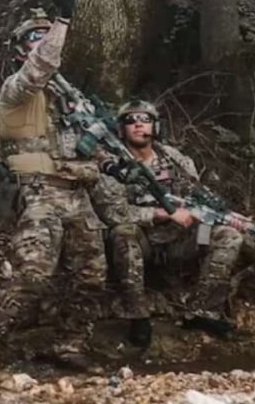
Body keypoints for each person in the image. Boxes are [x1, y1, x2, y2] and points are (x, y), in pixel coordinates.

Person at [0, 8, 112, 381]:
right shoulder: (16, 89)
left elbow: (92, 142)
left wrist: (105, 157)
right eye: (35, 37)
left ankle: (68, 344)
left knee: (91, 277)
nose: (44, 41)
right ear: (19, 51)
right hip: (39, 193)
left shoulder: (70, 97)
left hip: (78, 195)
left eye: (47, 35)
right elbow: (40, 66)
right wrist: (61, 23)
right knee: (31, 275)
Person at [92, 99, 244, 347]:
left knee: (227, 234)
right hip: (142, 243)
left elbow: (198, 194)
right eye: (131, 120)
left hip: (180, 242)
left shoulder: (174, 159)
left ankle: (203, 310)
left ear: (155, 126)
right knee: (123, 232)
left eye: (145, 119)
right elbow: (112, 213)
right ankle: (138, 316)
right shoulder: (113, 166)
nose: (138, 125)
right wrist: (161, 214)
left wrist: (222, 215)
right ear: (121, 128)